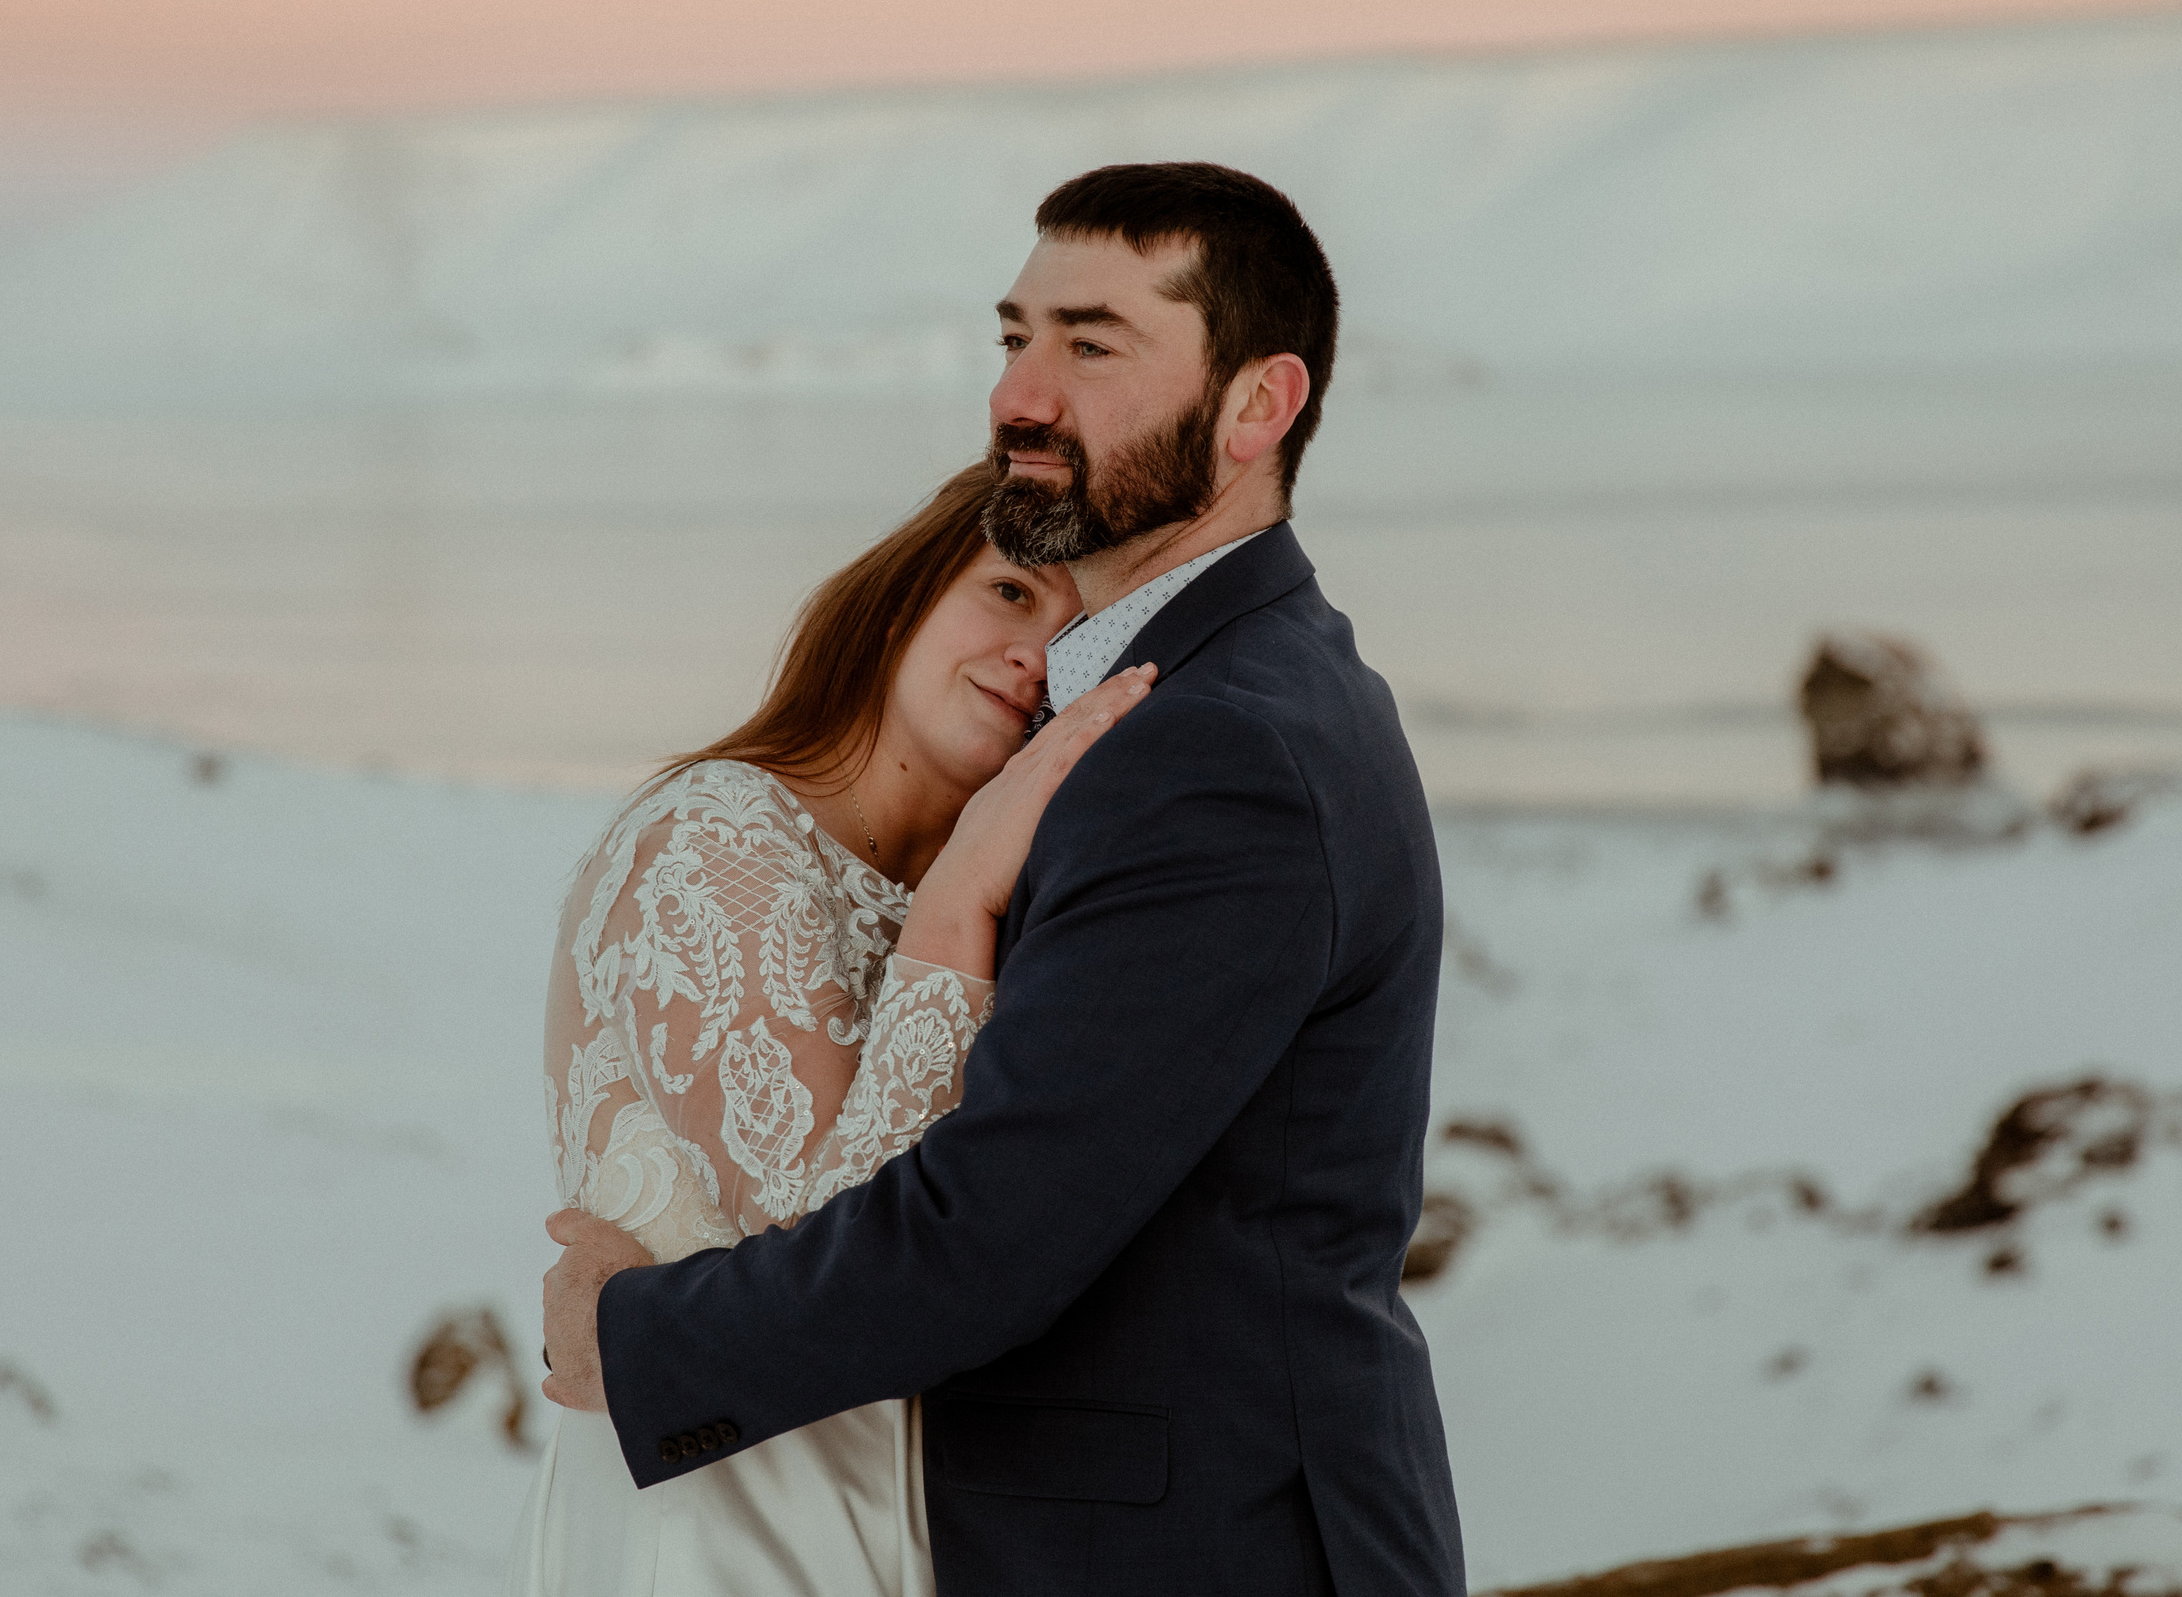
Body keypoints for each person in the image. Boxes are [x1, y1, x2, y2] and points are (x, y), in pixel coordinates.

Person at [542, 162, 1465, 1596]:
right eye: (1014, 338)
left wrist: (640, 1335)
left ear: (1257, 406)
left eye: (1092, 346)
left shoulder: (1215, 744)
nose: (1021, 396)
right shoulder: (1189, 701)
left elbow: (987, 1233)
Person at [509, 459, 1156, 1596]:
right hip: (722, 1530)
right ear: (903, 592)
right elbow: (836, 1239)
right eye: (1011, 593)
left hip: (912, 1529)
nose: (1035, 656)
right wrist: (958, 904)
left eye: (1079, 640)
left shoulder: (999, 901)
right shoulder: (719, 839)